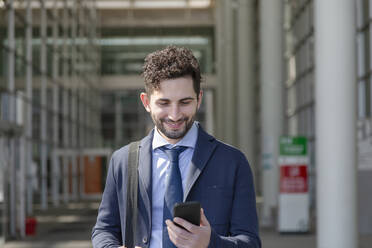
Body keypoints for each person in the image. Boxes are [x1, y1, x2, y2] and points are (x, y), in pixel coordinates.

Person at [92, 46, 261, 248]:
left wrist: (210, 243)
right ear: (146, 102)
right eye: (164, 103)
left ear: (199, 100)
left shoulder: (232, 162)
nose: (174, 115)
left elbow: (250, 243)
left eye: (185, 102)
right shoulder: (123, 161)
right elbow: (104, 231)